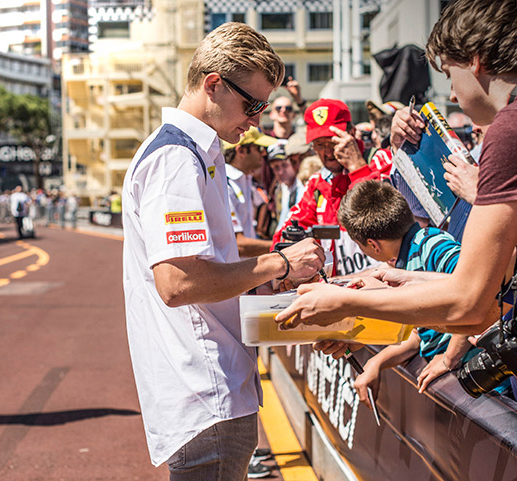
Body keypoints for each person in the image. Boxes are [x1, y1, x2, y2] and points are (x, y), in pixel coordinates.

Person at [276, 0, 517, 414]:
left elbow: (470, 303)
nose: (450, 92)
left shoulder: (515, 127)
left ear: (477, 60)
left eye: (449, 74)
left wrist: (346, 305)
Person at [121, 22, 326, 479]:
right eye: (251, 104)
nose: (256, 119)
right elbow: (178, 283)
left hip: (209, 382)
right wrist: (278, 262)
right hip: (204, 386)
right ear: (213, 84)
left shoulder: (191, 152)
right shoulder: (175, 157)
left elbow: (210, 262)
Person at [336, 181, 506, 407]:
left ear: (373, 245)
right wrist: (376, 362)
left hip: (491, 391)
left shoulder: (432, 245)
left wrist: (449, 358)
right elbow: (420, 334)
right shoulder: (406, 260)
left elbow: (482, 293)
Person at [272, 99, 392, 276]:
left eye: (333, 142)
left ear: (351, 134)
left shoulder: (380, 160)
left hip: (385, 289)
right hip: (338, 292)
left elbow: (381, 220)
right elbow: (285, 234)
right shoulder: (317, 183)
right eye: (320, 145)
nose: (328, 153)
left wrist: (357, 167)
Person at [224, 127, 277, 258]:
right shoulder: (225, 183)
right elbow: (238, 244)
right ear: (241, 151)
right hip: (233, 273)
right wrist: (282, 246)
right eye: (259, 149)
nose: (263, 154)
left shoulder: (244, 178)